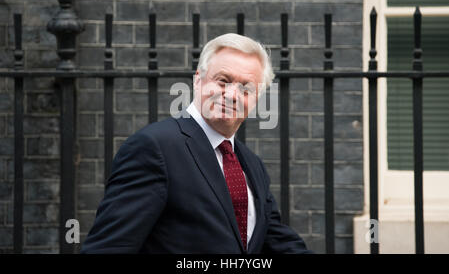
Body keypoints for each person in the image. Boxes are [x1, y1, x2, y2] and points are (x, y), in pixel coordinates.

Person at [80, 33, 313, 254]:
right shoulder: (155, 148)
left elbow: (278, 242)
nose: (232, 94)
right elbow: (110, 247)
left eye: (246, 88)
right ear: (198, 80)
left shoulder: (252, 165)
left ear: (256, 100)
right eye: (223, 81)